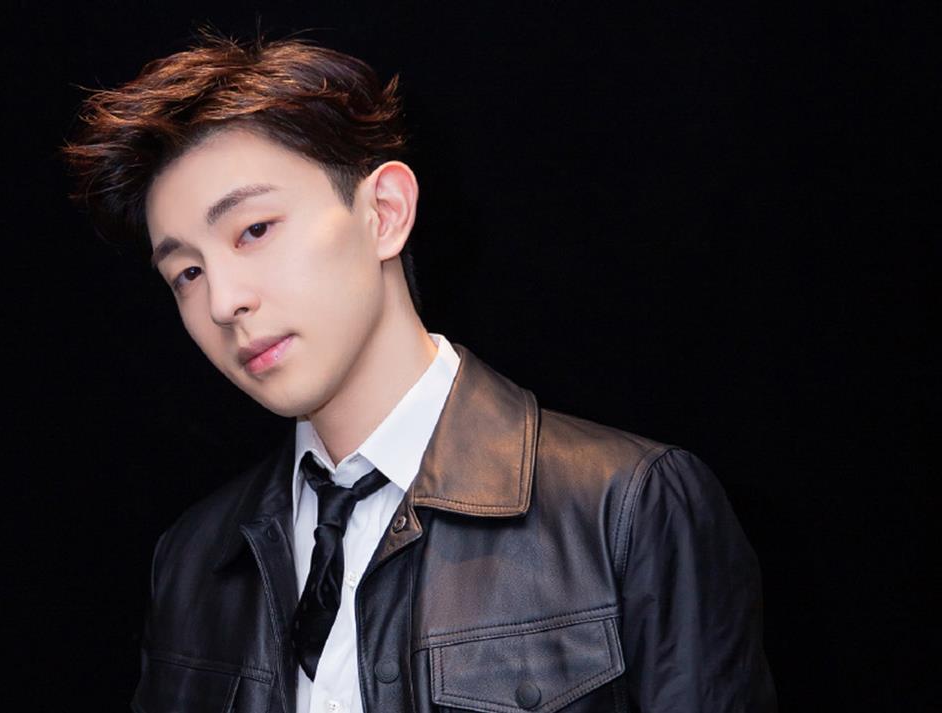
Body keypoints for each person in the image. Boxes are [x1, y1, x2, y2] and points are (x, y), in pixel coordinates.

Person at [62, 29, 777, 713]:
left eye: (254, 230)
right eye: (187, 273)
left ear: (385, 212)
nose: (223, 302)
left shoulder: (626, 508)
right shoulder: (193, 560)